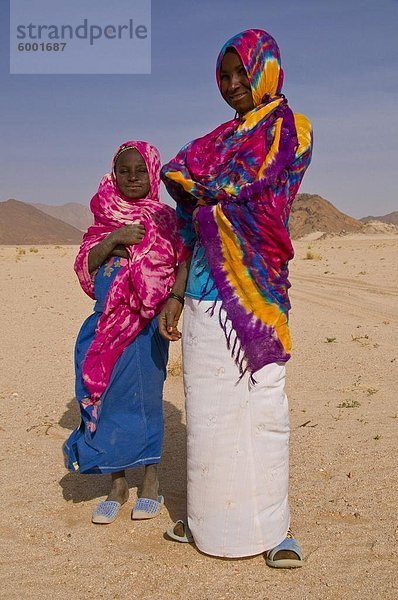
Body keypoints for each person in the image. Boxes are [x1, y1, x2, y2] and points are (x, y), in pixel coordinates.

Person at [159, 29, 313, 567]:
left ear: (266, 70)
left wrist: (209, 198)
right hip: (202, 295)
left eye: (240, 74)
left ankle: (275, 529)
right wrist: (176, 291)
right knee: (208, 412)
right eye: (223, 76)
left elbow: (259, 198)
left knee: (262, 407)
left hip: (257, 297)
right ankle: (206, 519)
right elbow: (187, 206)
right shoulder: (215, 141)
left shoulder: (292, 129)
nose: (231, 85)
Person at [64, 140, 183, 524]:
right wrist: (114, 240)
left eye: (139, 170)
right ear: (113, 175)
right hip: (105, 324)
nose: (132, 177)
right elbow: (86, 265)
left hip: (148, 326)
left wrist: (171, 303)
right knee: (110, 399)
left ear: (152, 172)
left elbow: (181, 261)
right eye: (123, 171)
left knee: (146, 400)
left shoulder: (166, 219)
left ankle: (151, 482)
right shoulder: (103, 219)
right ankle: (116, 484)